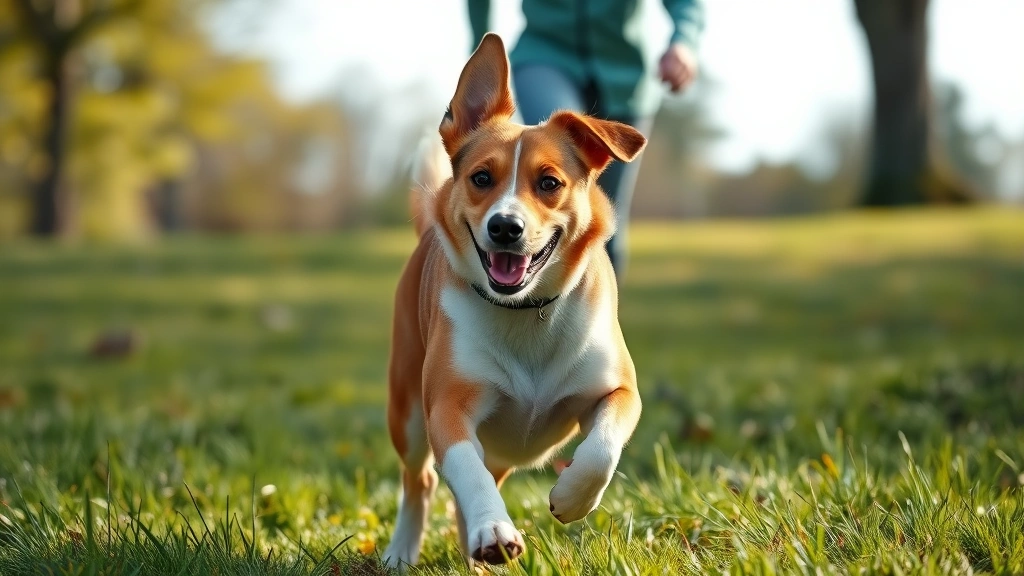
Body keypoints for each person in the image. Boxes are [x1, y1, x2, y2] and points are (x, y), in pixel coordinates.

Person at [467, 0, 705, 278]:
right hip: (544, 55)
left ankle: (601, 305)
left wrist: (684, 43)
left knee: (607, 220)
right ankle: (519, 286)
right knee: (549, 160)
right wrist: (481, 54)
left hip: (625, 76)